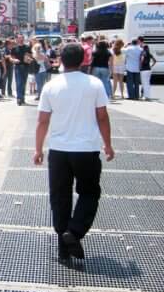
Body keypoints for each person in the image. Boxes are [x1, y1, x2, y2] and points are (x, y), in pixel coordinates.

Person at [33, 43, 116, 261]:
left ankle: (63, 245)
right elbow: (102, 116)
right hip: (87, 149)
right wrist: (107, 144)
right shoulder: (94, 84)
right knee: (89, 192)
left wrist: (38, 149)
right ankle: (75, 231)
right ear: (83, 60)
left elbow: (42, 120)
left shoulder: (51, 86)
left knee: (60, 197)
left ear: (60, 60)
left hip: (59, 150)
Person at [8, 34, 33, 106]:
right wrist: (14, 60)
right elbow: (11, 58)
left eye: (22, 38)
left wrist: (29, 59)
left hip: (26, 67)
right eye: (20, 38)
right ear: (17, 39)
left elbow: (31, 56)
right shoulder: (14, 48)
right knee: (19, 82)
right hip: (18, 67)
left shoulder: (27, 47)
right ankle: (19, 98)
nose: (21, 39)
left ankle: (22, 98)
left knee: (24, 83)